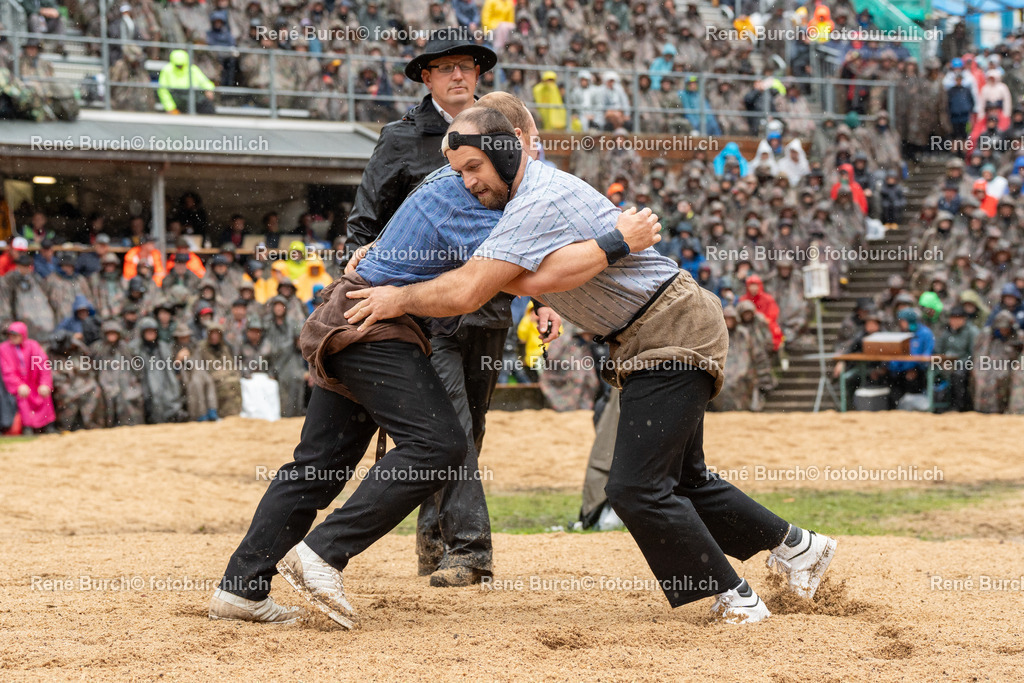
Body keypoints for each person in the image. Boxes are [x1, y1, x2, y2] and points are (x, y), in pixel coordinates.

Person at [344, 106, 837, 625]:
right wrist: (383, 250)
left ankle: (733, 596)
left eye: (472, 168)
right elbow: (500, 265)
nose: (466, 182)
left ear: (509, 148)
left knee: (634, 488)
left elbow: (477, 285)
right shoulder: (513, 200)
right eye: (459, 172)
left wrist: (397, 295)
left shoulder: (540, 197)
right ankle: (800, 548)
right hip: (656, 327)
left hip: (670, 329)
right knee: (683, 478)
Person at [209, 108, 660, 626]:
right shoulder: (469, 194)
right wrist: (617, 240)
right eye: (528, 143)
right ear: (513, 141)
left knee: (318, 466)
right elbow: (515, 275)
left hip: (355, 316)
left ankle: (240, 589)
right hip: (373, 324)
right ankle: (321, 552)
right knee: (439, 445)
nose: (533, 157)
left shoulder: (461, 182)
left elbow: (518, 262)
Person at [343, 33, 537, 588]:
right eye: (445, 68)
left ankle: (435, 545)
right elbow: (365, 222)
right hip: (426, 310)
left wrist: (540, 300)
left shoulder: (505, 134)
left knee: (466, 430)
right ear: (425, 77)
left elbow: (528, 221)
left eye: (467, 67)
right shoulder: (400, 139)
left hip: (491, 306)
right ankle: (470, 551)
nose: (458, 76)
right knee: (449, 425)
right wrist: (362, 255)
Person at [0, 321, 55, 433]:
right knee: (23, 398)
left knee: (44, 395)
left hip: (34, 382)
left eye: (16, 335)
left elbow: (43, 365)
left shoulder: (33, 345)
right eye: (11, 334)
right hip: (19, 385)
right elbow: (7, 371)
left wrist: (45, 383)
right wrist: (18, 385)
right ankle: (28, 427)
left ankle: (49, 425)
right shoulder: (3, 349)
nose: (12, 337)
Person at [89, 320, 145, 427]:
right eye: (109, 333)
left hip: (123, 381)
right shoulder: (97, 347)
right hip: (103, 381)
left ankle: (126, 424)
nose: (112, 336)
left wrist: (135, 378)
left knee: (127, 400)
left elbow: (135, 364)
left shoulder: (125, 347)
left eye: (114, 333)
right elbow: (91, 364)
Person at [935, 305, 978, 412]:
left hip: (965, 364)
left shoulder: (971, 332)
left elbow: (973, 354)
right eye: (952, 318)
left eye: (957, 318)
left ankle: (958, 406)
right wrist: (942, 361)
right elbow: (939, 349)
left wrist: (958, 363)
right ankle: (938, 405)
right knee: (931, 372)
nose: (954, 321)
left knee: (958, 375)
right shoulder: (946, 331)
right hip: (945, 363)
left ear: (964, 319)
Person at [158, 49, 216, 115]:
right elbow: (163, 90)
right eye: (178, 65)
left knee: (208, 107)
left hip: (192, 95)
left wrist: (208, 89)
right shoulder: (167, 70)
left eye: (182, 65)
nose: (180, 67)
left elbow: (204, 81)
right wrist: (170, 108)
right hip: (177, 97)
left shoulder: (192, 69)